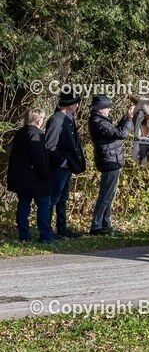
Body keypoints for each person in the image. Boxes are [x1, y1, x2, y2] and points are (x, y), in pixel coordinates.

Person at [87, 95, 135, 235]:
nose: (109, 109)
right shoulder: (98, 122)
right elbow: (121, 133)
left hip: (112, 160)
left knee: (110, 194)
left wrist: (126, 117)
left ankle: (105, 223)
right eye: (107, 107)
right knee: (106, 195)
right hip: (109, 161)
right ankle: (96, 225)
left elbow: (116, 132)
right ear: (100, 109)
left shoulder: (101, 121)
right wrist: (129, 118)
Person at [6, 108, 55, 242]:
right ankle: (45, 235)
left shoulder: (20, 133)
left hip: (21, 178)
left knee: (23, 206)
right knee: (44, 205)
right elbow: (39, 160)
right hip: (36, 179)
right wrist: (47, 176)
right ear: (39, 120)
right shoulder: (36, 135)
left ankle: (24, 236)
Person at [45, 87, 86, 239]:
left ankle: (62, 229)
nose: (77, 106)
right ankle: (46, 230)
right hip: (58, 168)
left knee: (63, 199)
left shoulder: (68, 120)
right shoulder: (56, 120)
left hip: (67, 166)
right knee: (53, 199)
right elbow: (49, 146)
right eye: (75, 103)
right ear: (69, 104)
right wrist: (63, 162)